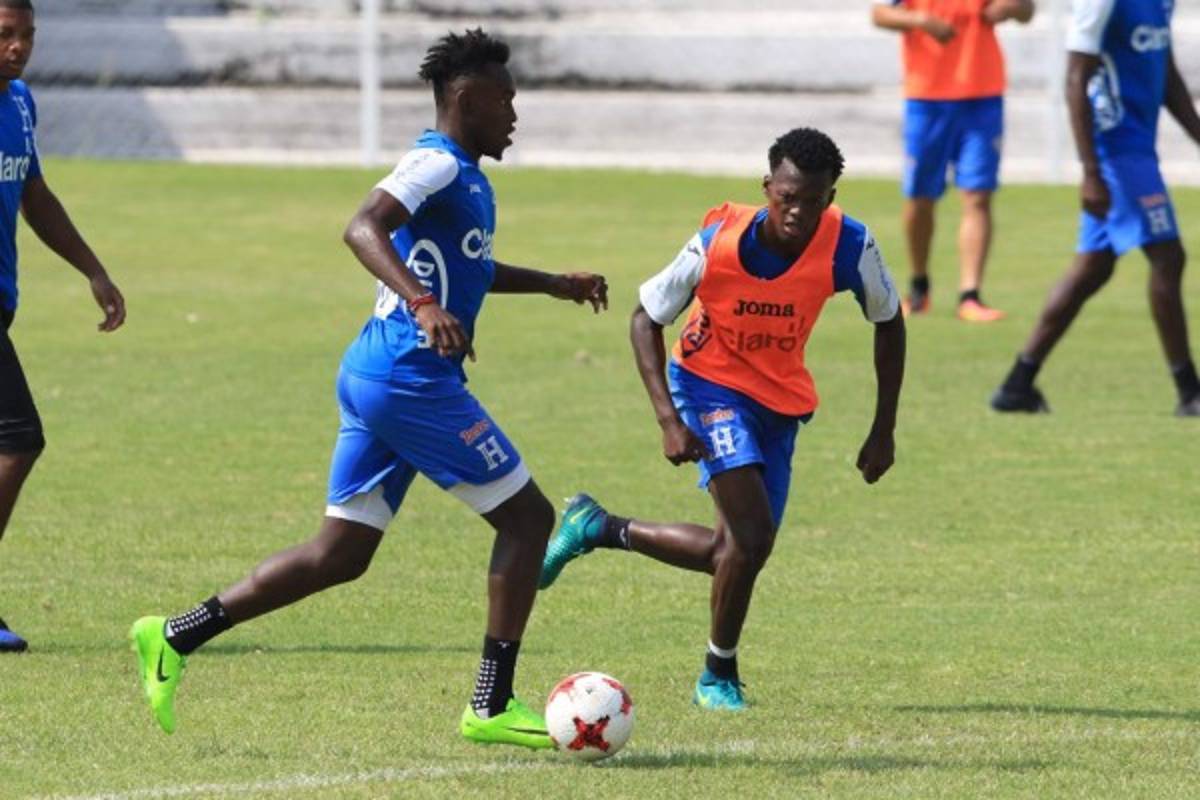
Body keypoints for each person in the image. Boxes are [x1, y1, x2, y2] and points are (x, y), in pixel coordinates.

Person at [129, 29, 608, 747]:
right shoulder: (435, 164)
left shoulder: (468, 178)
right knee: (529, 521)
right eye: (506, 100)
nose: (515, 114)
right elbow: (362, 226)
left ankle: (173, 635)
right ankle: (490, 702)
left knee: (341, 553)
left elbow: (469, 266)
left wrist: (552, 285)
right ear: (469, 99)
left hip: (380, 373)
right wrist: (422, 303)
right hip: (408, 378)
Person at [539, 128, 906, 710]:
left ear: (830, 199)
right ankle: (718, 675)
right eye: (787, 196)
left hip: (778, 401)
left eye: (813, 200)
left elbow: (889, 320)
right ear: (767, 188)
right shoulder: (718, 240)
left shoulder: (850, 245)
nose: (797, 211)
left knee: (737, 550)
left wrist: (883, 427)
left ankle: (599, 527)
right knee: (752, 536)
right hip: (708, 386)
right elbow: (644, 318)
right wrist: (668, 419)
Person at [991, 0, 1200, 416]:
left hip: (1139, 150)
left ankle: (1017, 386)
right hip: (1114, 153)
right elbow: (1076, 78)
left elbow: (1166, 73)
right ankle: (1190, 392)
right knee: (1167, 256)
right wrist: (1090, 171)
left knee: (1094, 268)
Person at [0, 0, 126, 653]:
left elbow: (34, 195)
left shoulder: (20, 103)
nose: (18, 47)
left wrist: (93, 270)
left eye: (26, 35)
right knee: (18, 439)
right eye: (5, 35)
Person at [872, 0, 1034, 322]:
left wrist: (1012, 8)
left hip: (982, 94)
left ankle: (970, 294)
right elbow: (880, 13)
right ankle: (919, 287)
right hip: (927, 97)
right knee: (919, 198)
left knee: (978, 195)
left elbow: (1027, 10)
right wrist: (920, 20)